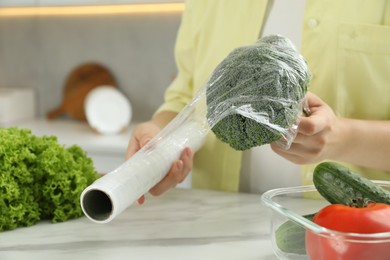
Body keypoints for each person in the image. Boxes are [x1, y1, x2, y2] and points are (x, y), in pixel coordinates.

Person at [126, 0, 390, 204]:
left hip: (348, 227)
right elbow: (185, 98)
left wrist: (342, 138)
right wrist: (159, 137)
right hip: (218, 223)